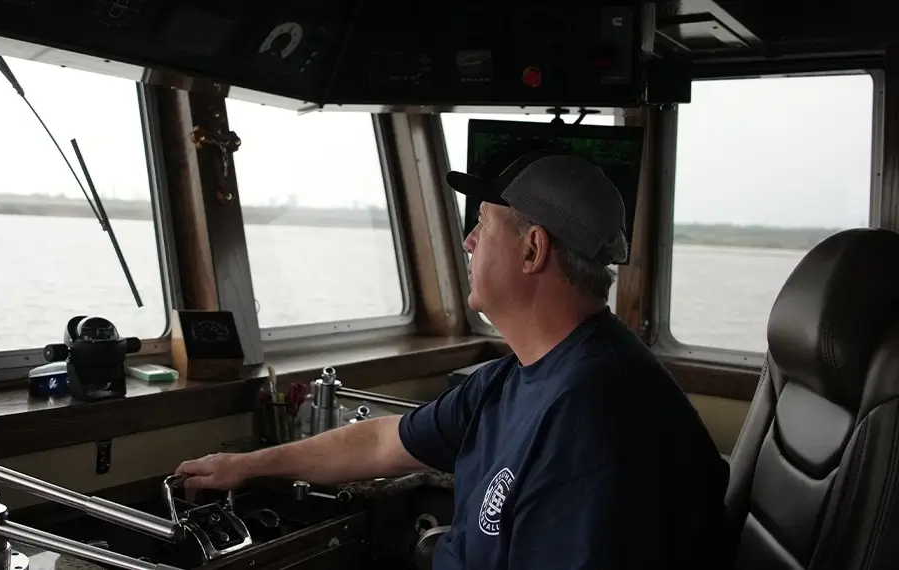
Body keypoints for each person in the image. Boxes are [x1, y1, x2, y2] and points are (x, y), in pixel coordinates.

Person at [176, 150, 730, 569]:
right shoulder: (515, 375)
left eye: (482, 226)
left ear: (533, 250)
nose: (467, 243)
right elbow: (380, 440)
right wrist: (246, 466)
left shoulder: (598, 418)